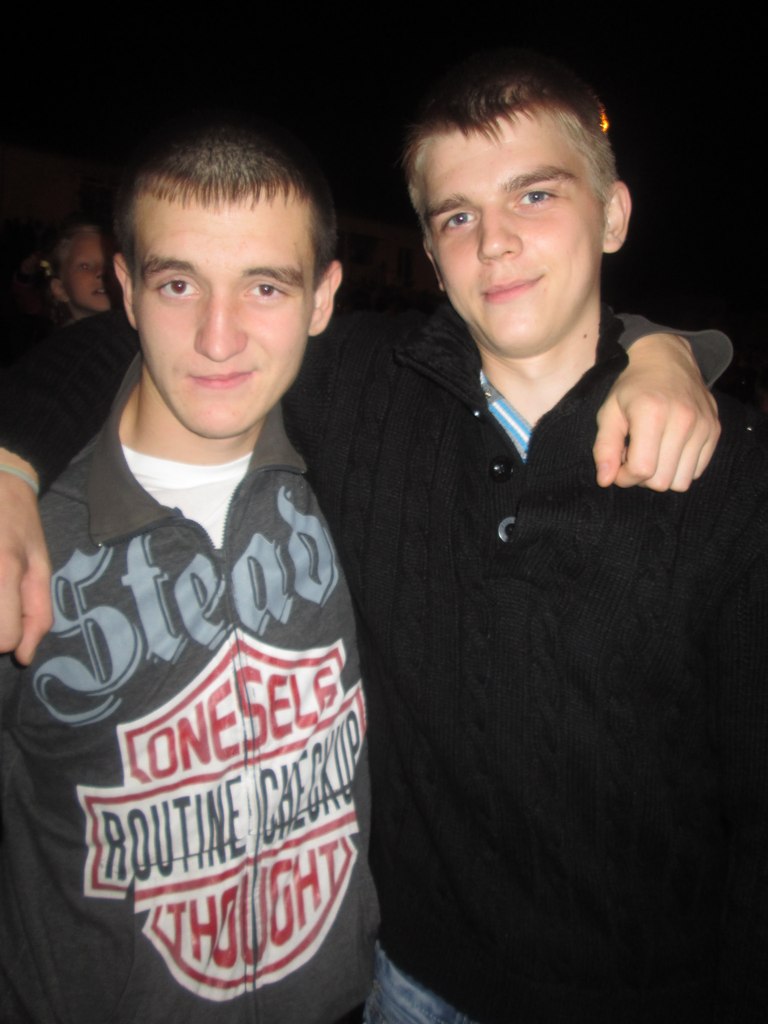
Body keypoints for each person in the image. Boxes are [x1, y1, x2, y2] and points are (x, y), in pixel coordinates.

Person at [0, 54, 745, 1023]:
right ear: (429, 249)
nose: (496, 242)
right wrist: (12, 460)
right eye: (458, 216)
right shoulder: (355, 392)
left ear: (613, 215)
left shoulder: (730, 475)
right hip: (403, 987)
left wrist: (664, 345)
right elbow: (153, 333)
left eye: (535, 195)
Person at [0, 115, 378, 1023]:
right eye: (178, 284)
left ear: (323, 298)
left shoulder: (360, 469)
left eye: (264, 287)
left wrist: (661, 349)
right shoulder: (29, 537)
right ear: (126, 291)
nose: (218, 337)